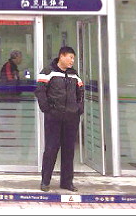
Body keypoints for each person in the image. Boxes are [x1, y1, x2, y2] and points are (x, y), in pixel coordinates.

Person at [34, 46, 84, 193]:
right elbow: (40, 91)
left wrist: (78, 109)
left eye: (73, 58)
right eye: (70, 57)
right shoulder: (48, 72)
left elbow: (80, 93)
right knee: (51, 149)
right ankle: (45, 181)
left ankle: (67, 182)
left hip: (71, 118)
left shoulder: (74, 75)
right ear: (61, 56)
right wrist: (47, 109)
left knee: (69, 151)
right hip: (54, 117)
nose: (72, 61)